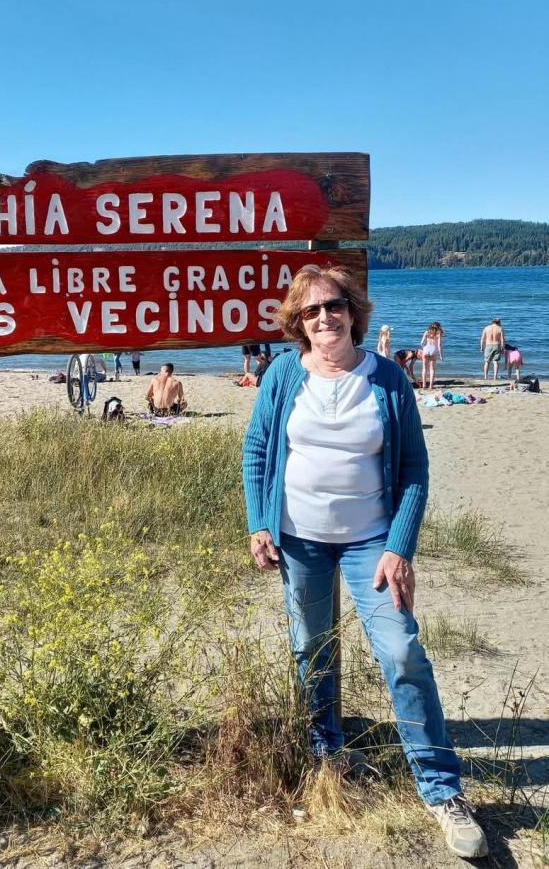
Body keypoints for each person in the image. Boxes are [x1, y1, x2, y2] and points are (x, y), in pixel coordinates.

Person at [242, 264, 487, 860]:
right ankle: (329, 752)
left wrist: (400, 546)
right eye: (311, 311)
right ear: (298, 324)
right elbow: (256, 452)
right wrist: (258, 522)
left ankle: (441, 790)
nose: (324, 318)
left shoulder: (387, 379)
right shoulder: (281, 375)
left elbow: (413, 471)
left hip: (371, 543)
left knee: (401, 651)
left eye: (334, 306)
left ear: (353, 311)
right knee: (312, 648)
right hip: (298, 540)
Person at [420, 322, 444, 390]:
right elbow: (439, 346)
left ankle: (424, 385)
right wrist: (441, 355)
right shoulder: (438, 334)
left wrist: (423, 348)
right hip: (433, 351)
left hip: (426, 350)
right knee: (432, 369)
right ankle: (431, 386)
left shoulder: (426, 332)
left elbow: (421, 342)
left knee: (424, 368)